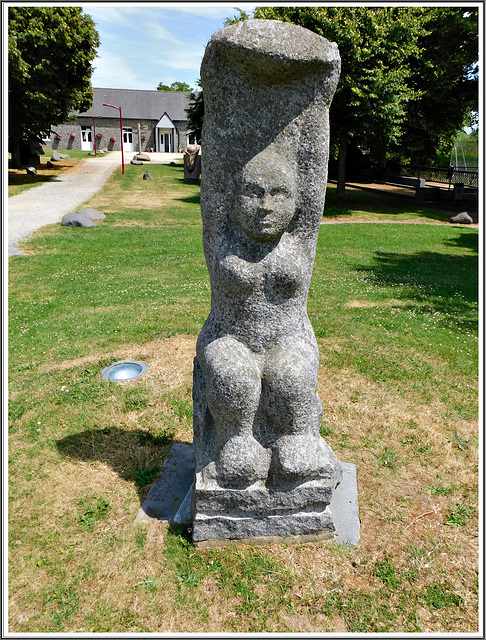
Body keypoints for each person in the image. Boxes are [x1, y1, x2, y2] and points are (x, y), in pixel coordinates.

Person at [196, 147, 335, 488]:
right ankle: (236, 439)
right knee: (235, 379)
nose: (266, 207)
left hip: (289, 338)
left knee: (292, 376)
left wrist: (315, 101)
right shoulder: (222, 238)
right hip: (229, 338)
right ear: (233, 198)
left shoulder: (300, 240)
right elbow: (213, 176)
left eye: (279, 195)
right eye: (253, 193)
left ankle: (299, 435)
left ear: (296, 201)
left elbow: (315, 171)